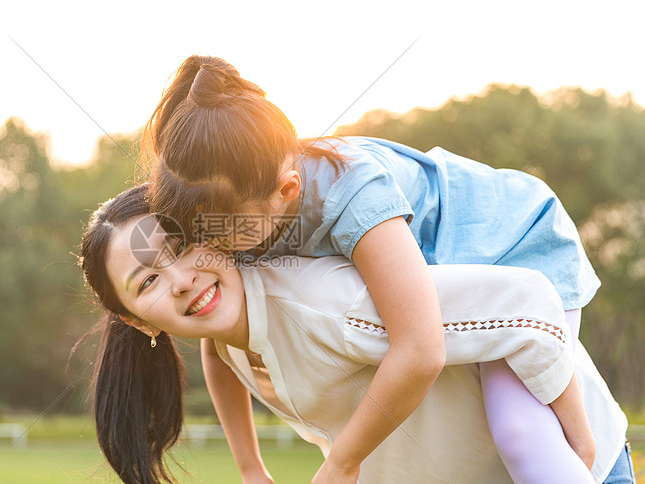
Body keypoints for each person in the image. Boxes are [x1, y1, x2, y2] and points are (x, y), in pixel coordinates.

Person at [143, 55, 616, 483]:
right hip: (468, 277)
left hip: (512, 242)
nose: (212, 251)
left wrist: (343, 461)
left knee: (519, 430)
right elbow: (221, 343)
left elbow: (420, 349)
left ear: (287, 191)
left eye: (223, 237)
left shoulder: (352, 194)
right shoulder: (241, 206)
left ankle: (583, 440)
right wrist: (250, 468)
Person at [77, 185, 632, 484]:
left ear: (211, 229)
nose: (179, 282)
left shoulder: (327, 304)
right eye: (148, 280)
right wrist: (251, 468)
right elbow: (218, 355)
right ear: (136, 321)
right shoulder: (226, 329)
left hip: (567, 467)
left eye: (179, 249)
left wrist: (579, 439)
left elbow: (528, 300)